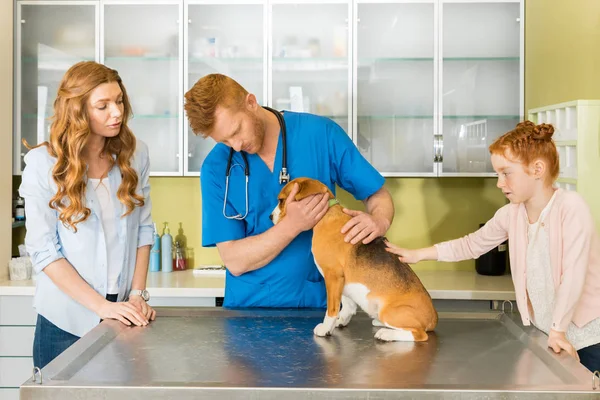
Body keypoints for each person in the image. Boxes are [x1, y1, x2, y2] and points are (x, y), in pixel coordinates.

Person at [385, 121, 600, 373]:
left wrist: (559, 330)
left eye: (506, 173)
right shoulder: (511, 214)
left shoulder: (570, 207)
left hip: (588, 338)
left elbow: (573, 275)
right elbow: (471, 244)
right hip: (549, 334)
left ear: (537, 169)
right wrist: (417, 254)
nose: (499, 183)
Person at [184, 73, 394, 308]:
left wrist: (379, 220)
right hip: (248, 313)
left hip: (318, 305)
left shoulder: (321, 134)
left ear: (251, 103)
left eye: (236, 131)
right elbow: (234, 260)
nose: (236, 146)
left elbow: (377, 194)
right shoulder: (216, 167)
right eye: (223, 140)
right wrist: (292, 225)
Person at [19, 61, 157, 369]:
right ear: (78, 110)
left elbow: (144, 231)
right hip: (64, 323)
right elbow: (44, 252)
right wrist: (101, 307)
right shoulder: (43, 164)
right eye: (103, 105)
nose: (117, 112)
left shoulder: (136, 155)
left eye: (119, 101)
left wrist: (136, 295)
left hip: (122, 313)